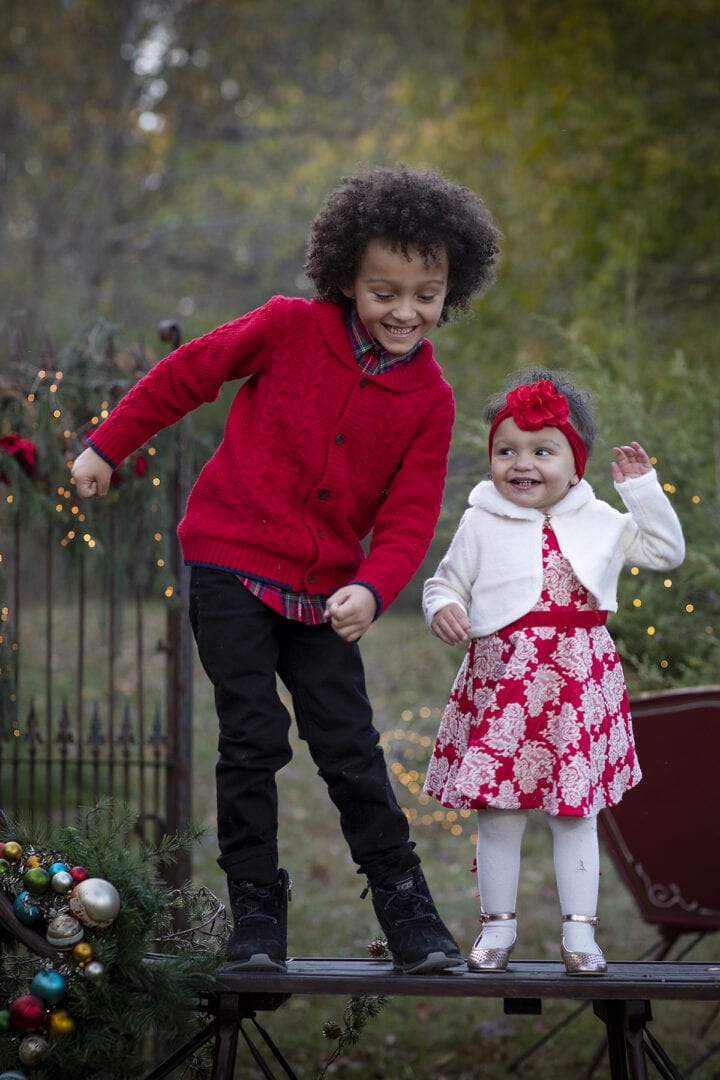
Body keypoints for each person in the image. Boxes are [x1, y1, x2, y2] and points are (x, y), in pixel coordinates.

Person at [71, 164, 501, 974]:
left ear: (452, 290)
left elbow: (409, 518)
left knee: (349, 747)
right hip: (230, 561)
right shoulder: (285, 327)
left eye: (426, 293)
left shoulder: (432, 400)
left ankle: (406, 906)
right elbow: (186, 375)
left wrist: (373, 588)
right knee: (252, 737)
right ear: (345, 277)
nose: (405, 311)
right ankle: (257, 915)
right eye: (384, 291)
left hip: (327, 592)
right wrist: (108, 444)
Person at [422, 369, 685, 975]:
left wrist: (641, 491)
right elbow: (443, 583)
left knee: (575, 812)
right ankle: (496, 930)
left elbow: (666, 552)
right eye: (507, 451)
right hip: (504, 686)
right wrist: (445, 607)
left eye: (543, 451)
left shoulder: (603, 522)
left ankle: (581, 934)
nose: (523, 464)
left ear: (575, 464)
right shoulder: (480, 521)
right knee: (500, 813)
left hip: (575, 684)